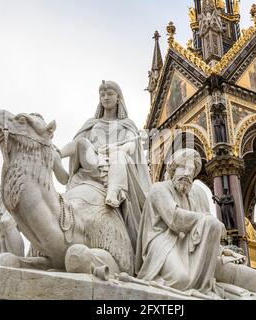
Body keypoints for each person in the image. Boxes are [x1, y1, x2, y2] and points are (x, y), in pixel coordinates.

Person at [60, 81, 151, 270]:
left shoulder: (126, 125)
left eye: (110, 93)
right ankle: (55, 162)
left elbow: (131, 147)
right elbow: (76, 144)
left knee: (119, 157)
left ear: (119, 97)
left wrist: (114, 149)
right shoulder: (91, 124)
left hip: (115, 163)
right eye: (102, 95)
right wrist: (59, 153)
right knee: (83, 144)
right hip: (91, 162)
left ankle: (113, 193)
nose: (106, 97)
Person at [135, 148, 225, 294]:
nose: (187, 173)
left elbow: (207, 228)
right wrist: (204, 219)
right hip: (163, 242)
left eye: (192, 170)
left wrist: (221, 249)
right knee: (180, 279)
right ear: (173, 169)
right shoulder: (159, 189)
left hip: (186, 243)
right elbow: (175, 219)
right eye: (183, 167)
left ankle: (202, 285)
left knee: (212, 224)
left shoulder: (194, 195)